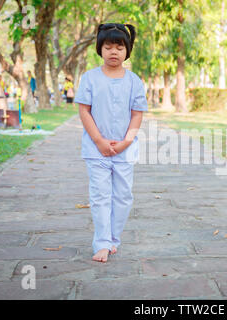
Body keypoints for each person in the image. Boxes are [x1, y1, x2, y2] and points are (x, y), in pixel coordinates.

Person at [75, 23, 147, 263]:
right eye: (108, 46)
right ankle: (102, 243)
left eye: (119, 47)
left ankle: (114, 238)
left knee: (124, 196)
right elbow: (84, 111)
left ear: (127, 50)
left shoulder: (135, 81)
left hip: (125, 151)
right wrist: (100, 141)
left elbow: (137, 114)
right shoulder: (89, 78)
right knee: (100, 196)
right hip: (96, 150)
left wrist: (127, 141)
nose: (113, 51)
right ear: (100, 49)